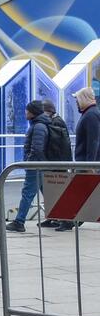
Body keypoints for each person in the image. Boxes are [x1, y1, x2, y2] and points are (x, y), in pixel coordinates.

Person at [55, 88, 100, 232]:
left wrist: (89, 165)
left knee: (78, 193)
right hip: (85, 162)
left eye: (77, 99)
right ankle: (73, 220)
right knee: (83, 193)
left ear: (84, 98)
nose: (76, 102)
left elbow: (93, 141)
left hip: (86, 162)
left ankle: (70, 220)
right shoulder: (90, 114)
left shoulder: (91, 115)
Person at [6, 101, 50, 233]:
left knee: (27, 193)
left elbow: (37, 148)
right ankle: (59, 218)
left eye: (27, 110)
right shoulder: (39, 125)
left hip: (36, 166)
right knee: (48, 193)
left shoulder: (38, 126)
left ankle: (19, 221)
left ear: (32, 112)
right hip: (40, 165)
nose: (25, 112)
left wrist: (29, 163)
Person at [38, 99, 72, 229]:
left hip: (57, 163)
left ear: (48, 111)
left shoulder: (56, 122)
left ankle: (65, 220)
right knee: (51, 191)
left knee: (58, 192)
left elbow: (56, 145)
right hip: (57, 162)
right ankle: (53, 217)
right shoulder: (54, 121)